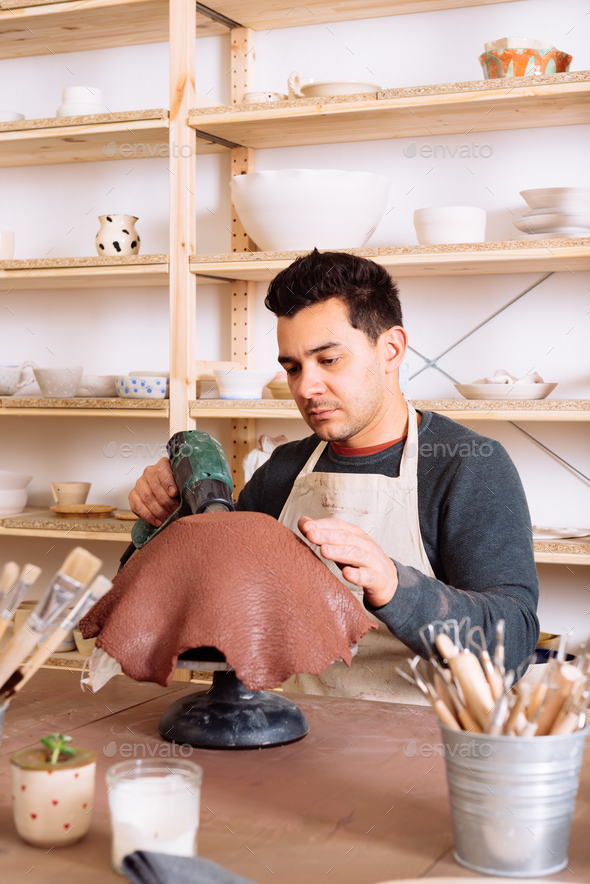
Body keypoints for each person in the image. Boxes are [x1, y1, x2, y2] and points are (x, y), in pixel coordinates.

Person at [129, 249, 539, 703]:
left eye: (328, 360)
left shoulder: (468, 465)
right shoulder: (284, 470)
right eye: (292, 367)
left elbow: (513, 643)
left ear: (391, 349)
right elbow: (193, 607)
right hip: (304, 737)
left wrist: (394, 585)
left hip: (429, 751)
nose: (306, 388)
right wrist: (162, 522)